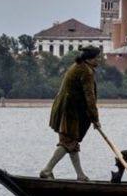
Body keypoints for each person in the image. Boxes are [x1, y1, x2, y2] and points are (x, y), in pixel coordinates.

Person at [39, 46, 102, 181]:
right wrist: (95, 119)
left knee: (72, 143)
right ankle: (47, 170)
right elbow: (90, 97)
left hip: (67, 108)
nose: (98, 60)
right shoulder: (85, 71)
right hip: (69, 111)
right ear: (89, 59)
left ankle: (80, 175)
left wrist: (93, 118)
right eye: (97, 57)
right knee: (68, 141)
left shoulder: (80, 66)